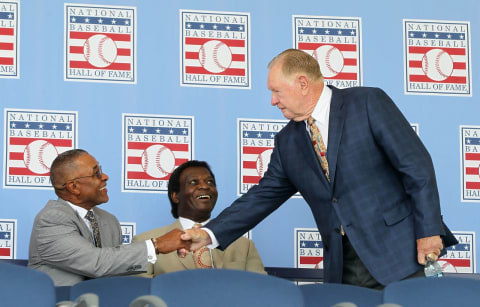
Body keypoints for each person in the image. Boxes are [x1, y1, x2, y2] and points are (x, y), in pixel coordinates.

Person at [181, 49, 457, 289]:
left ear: (302, 83)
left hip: (402, 254)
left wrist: (428, 232)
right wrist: (209, 233)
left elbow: (416, 167)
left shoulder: (367, 103)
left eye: (276, 91)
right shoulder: (287, 141)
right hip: (343, 265)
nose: (273, 101)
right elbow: (262, 196)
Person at [28, 149, 189, 286]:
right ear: (74, 187)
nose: (105, 176)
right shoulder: (51, 219)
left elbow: (115, 267)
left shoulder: (108, 220)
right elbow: (96, 263)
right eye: (96, 173)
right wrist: (156, 245)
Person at [133, 160, 265, 276]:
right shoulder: (146, 243)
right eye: (193, 182)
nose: (205, 186)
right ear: (175, 196)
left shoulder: (244, 246)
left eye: (210, 182)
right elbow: (142, 299)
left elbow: (259, 294)